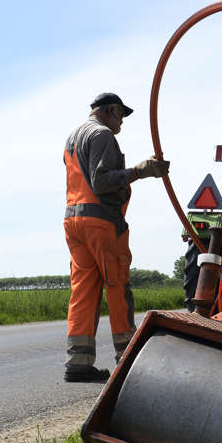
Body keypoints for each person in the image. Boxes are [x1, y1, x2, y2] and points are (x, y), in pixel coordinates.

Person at [63, 92, 170, 382]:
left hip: (74, 221)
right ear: (111, 110)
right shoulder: (102, 135)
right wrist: (139, 171)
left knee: (84, 290)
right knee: (116, 284)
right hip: (100, 222)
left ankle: (78, 363)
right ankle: (127, 360)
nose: (122, 121)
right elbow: (101, 182)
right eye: (121, 115)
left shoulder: (73, 137)